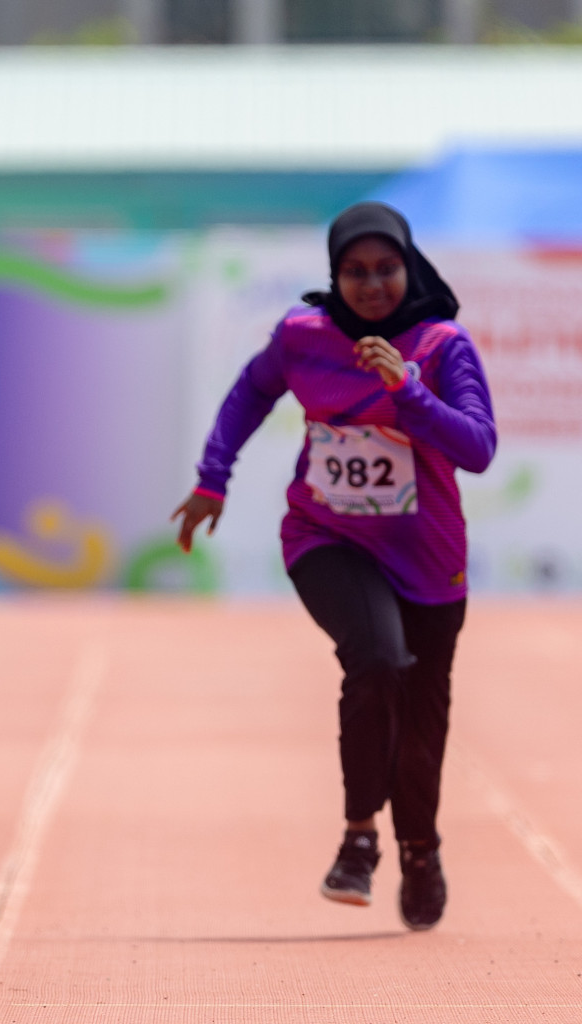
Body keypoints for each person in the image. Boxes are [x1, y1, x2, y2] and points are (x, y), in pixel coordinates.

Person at [172, 202, 496, 931]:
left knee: (421, 718)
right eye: (355, 272)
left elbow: (478, 448)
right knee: (376, 657)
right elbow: (251, 391)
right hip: (326, 535)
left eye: (386, 269)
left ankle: (420, 850)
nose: (373, 285)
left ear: (409, 268)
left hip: (428, 555)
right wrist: (211, 478)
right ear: (335, 275)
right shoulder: (302, 337)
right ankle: (359, 840)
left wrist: (407, 389)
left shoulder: (443, 345)